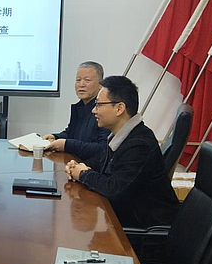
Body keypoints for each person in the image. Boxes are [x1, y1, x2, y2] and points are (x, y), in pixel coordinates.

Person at [64, 76, 178, 229]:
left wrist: (83, 174)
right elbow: (102, 164)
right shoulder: (121, 136)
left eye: (98, 105)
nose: (93, 110)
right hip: (124, 219)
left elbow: (114, 190)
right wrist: (77, 167)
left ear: (119, 108)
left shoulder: (139, 144)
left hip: (143, 229)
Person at [44, 61, 109, 156]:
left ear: (100, 85)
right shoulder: (79, 107)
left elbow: (102, 148)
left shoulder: (105, 110)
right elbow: (71, 133)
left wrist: (67, 145)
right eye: (78, 80)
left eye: (87, 80)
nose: (81, 84)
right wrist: (55, 137)